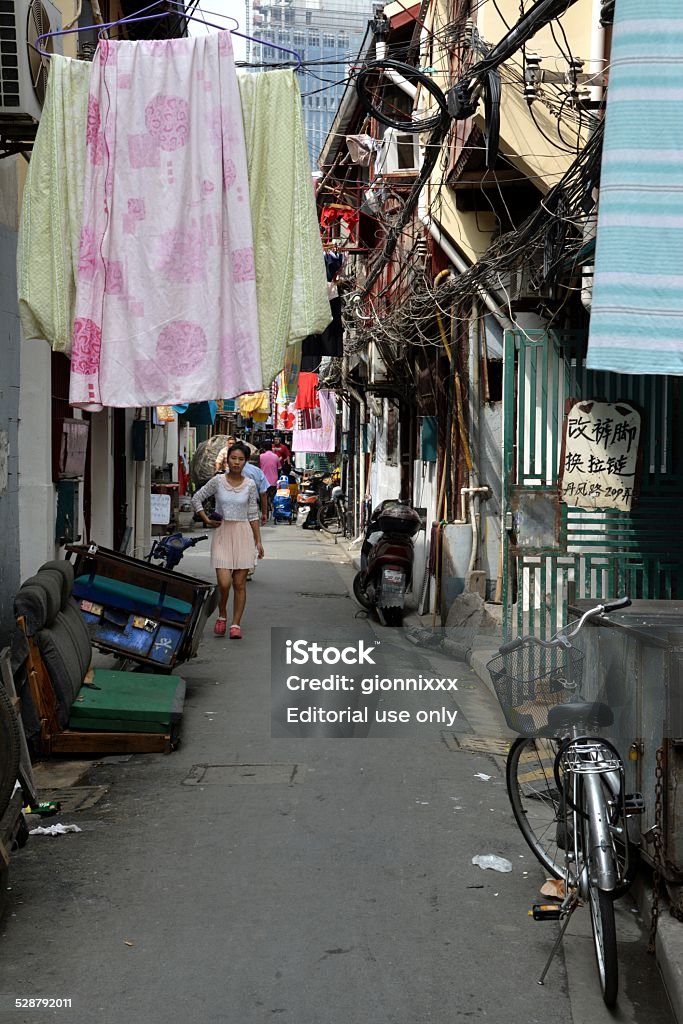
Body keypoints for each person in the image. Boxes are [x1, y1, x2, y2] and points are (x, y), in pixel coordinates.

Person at [191, 443, 264, 638]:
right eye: (234, 458)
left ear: (245, 462)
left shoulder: (249, 485)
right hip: (223, 533)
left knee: (239, 583)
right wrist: (205, 519)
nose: (237, 462)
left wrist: (258, 541)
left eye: (241, 459)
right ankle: (222, 614)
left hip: (243, 534)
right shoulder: (217, 481)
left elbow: (253, 514)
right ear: (227, 460)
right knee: (224, 583)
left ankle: (235, 624)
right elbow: (196, 498)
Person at [258, 440, 282, 515]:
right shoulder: (276, 457)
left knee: (264, 497)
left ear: (264, 448)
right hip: (273, 481)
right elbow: (279, 468)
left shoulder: (261, 456)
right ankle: (271, 507)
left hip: (263, 480)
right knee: (272, 497)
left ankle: (265, 512)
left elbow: (258, 467)